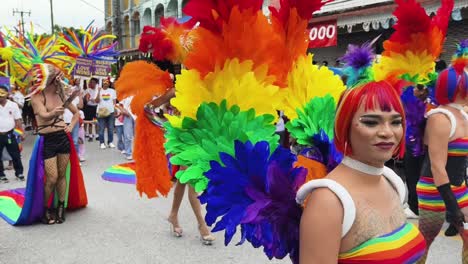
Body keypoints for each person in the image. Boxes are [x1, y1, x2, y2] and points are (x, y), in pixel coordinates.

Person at [298, 81, 426, 263]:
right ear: (345, 126)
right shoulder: (329, 201)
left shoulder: (393, 182)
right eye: (371, 122)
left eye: (396, 122)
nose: (387, 132)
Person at [416, 65, 468, 262]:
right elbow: (437, 166)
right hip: (433, 189)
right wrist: (452, 206)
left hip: (458, 186)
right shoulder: (440, 118)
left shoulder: (462, 114)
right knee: (424, 243)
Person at [30, 64, 81, 224]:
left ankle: (61, 206)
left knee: (61, 175)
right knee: (51, 178)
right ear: (48, 78)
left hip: (62, 137)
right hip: (47, 140)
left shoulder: (61, 94)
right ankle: (45, 208)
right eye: (57, 76)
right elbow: (43, 115)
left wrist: (71, 126)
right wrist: (53, 113)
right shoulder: (36, 96)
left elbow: (77, 113)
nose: (60, 79)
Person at [0, 80, 25, 183]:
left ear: (7, 94)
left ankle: (19, 173)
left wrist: (20, 134)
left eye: (2, 94)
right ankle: (1, 175)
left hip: (11, 134)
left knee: (15, 155)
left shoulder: (13, 105)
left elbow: (18, 120)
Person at [63, 78, 83, 160]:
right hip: (63, 122)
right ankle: (67, 159)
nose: (67, 90)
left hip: (74, 122)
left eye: (68, 88)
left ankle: (75, 159)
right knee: (65, 142)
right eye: (65, 88)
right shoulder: (60, 98)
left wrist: (80, 96)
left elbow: (81, 106)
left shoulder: (75, 98)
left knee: (74, 141)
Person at [95, 79, 116, 149]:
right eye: (104, 82)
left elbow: (114, 101)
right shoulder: (98, 90)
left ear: (109, 84)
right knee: (101, 128)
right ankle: (102, 143)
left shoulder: (112, 91)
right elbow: (96, 101)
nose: (105, 83)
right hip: (101, 112)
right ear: (102, 83)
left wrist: (115, 109)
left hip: (111, 112)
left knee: (110, 128)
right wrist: (98, 91)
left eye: (107, 82)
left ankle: (110, 142)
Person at [83, 77, 99, 141]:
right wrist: (88, 99)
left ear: (96, 83)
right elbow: (86, 100)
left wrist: (96, 100)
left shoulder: (98, 90)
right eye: (91, 82)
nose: (92, 83)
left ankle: (97, 135)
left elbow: (98, 100)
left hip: (95, 108)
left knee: (95, 121)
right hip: (89, 107)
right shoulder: (88, 90)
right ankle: (90, 135)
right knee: (89, 121)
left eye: (93, 82)